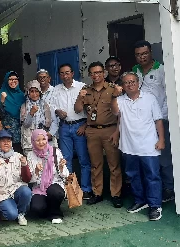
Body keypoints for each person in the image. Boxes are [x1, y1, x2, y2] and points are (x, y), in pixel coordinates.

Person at [116, 72, 165, 221]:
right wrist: (114, 95)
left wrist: (161, 139)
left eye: (132, 82)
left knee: (152, 176)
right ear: (123, 86)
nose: (130, 85)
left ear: (138, 83)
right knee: (133, 175)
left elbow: (158, 120)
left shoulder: (149, 98)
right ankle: (140, 200)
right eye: (126, 83)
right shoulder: (120, 100)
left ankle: (155, 205)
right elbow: (114, 112)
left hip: (149, 144)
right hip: (129, 145)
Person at [74, 61, 124, 208]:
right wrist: (79, 96)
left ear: (103, 73)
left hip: (110, 129)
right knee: (95, 164)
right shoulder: (86, 90)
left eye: (99, 72)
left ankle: (116, 194)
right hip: (92, 131)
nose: (96, 75)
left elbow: (121, 112)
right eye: (93, 73)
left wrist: (117, 131)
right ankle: (97, 193)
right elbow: (77, 110)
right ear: (90, 75)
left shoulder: (113, 89)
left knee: (114, 164)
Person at [132, 40, 173, 203]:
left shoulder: (161, 70)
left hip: (159, 121)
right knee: (146, 157)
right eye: (138, 55)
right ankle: (151, 190)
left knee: (163, 157)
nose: (142, 57)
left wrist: (159, 118)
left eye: (145, 53)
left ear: (150, 53)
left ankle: (169, 188)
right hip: (141, 124)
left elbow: (168, 96)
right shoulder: (134, 72)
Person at [51, 63, 92, 199]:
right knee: (66, 160)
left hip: (79, 126)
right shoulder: (56, 90)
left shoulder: (82, 87)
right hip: (64, 127)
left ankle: (86, 189)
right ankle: (70, 190)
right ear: (59, 75)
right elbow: (53, 107)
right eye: (62, 73)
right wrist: (57, 111)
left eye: (67, 72)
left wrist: (85, 125)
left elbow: (90, 110)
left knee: (83, 159)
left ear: (73, 73)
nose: (65, 76)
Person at [0, 130, 32, 226]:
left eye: (9, 140)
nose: (6, 143)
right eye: (3, 141)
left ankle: (21, 213)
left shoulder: (18, 156)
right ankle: (6, 210)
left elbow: (27, 179)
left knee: (26, 191)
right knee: (11, 215)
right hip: (1, 194)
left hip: (16, 190)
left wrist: (24, 165)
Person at [27, 129, 69, 224]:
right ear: (33, 141)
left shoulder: (55, 151)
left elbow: (65, 175)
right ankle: (48, 208)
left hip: (55, 183)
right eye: (38, 140)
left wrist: (61, 167)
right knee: (36, 209)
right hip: (39, 187)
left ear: (47, 139)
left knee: (55, 192)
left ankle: (55, 213)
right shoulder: (30, 155)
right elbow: (30, 180)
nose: (41, 143)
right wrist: (36, 171)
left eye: (43, 139)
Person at [21, 80, 56, 155]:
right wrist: (31, 113)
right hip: (30, 141)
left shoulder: (45, 105)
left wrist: (50, 133)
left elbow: (53, 121)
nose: (34, 94)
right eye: (32, 91)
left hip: (44, 140)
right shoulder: (24, 106)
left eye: (36, 91)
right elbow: (25, 125)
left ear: (40, 92)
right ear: (28, 93)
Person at [0, 71, 26, 153]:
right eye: (10, 79)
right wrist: (2, 101)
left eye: (15, 79)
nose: (13, 81)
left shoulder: (22, 95)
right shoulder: (1, 95)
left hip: (22, 134)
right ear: (6, 81)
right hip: (7, 133)